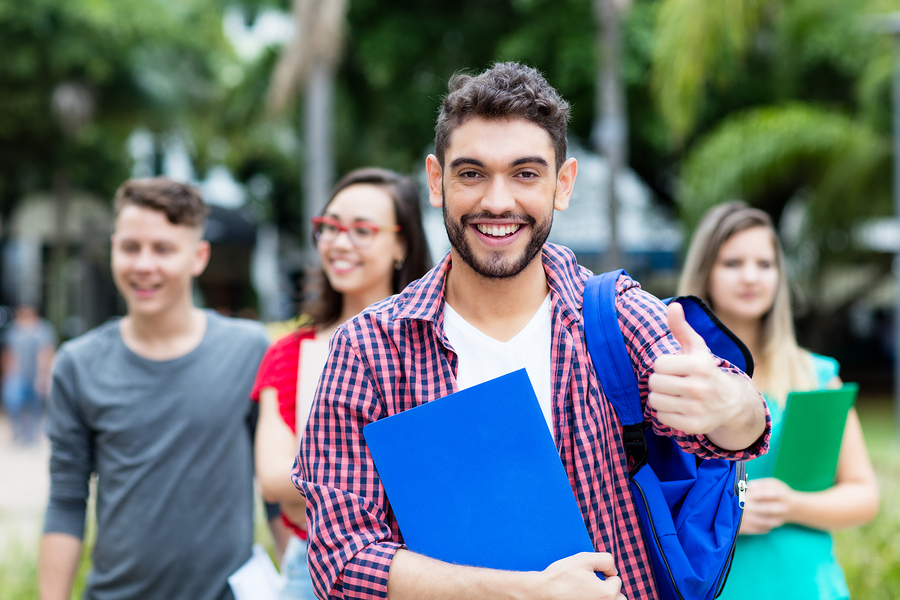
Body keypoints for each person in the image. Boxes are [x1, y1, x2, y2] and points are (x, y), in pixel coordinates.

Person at [293, 62, 770, 600]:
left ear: (562, 184)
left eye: (525, 174)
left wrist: (731, 408)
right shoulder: (369, 349)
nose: (498, 202)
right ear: (436, 181)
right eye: (471, 173)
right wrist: (522, 590)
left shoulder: (611, 316)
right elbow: (341, 559)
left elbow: (739, 426)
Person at [39, 177, 271, 600]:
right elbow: (67, 500)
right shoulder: (77, 364)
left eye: (163, 248)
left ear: (199, 257)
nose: (144, 264)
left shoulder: (249, 350)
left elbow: (275, 490)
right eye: (130, 247)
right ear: (113, 249)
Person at [677, 201, 879, 600]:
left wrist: (791, 504)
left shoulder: (817, 376)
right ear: (706, 273)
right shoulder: (676, 379)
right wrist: (726, 517)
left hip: (808, 585)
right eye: (733, 263)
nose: (751, 277)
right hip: (717, 587)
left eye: (765, 264)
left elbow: (864, 495)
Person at [252, 167, 432, 599]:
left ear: (401, 243)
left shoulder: (439, 341)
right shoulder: (289, 352)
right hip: (313, 574)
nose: (338, 242)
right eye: (329, 227)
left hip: (428, 571)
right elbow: (274, 479)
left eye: (361, 230)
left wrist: (327, 479)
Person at [1, 304, 57, 445]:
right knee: (14, 403)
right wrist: (8, 374)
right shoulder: (15, 330)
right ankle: (18, 432)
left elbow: (46, 353)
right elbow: (10, 354)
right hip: (18, 375)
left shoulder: (43, 329)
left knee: (35, 406)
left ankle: (32, 436)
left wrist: (44, 376)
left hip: (35, 375)